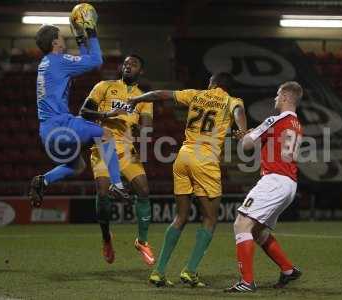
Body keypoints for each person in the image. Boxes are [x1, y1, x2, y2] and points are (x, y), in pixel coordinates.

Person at [127, 72, 247, 287]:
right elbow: (238, 111)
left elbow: (161, 94)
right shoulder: (231, 100)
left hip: (183, 156)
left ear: (212, 83)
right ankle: (190, 271)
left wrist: (137, 98)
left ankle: (159, 271)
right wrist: (242, 129)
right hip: (205, 159)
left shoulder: (195, 94)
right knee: (210, 219)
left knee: (180, 217)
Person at [29, 21, 129, 207]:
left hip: (47, 133)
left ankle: (43, 181)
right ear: (54, 43)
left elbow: (84, 62)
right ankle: (117, 184)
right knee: (106, 135)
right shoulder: (59, 61)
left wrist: (81, 40)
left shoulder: (46, 63)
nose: (63, 38)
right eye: (60, 36)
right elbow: (96, 61)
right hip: (61, 126)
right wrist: (91, 32)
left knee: (78, 166)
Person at [225, 81, 303, 293]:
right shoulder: (297, 124)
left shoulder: (274, 119)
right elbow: (273, 147)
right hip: (289, 183)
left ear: (286, 97)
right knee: (258, 232)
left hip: (274, 181)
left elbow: (246, 145)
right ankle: (288, 270)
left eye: (278, 95)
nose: (275, 98)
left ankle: (247, 282)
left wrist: (246, 135)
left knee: (241, 225)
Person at [79, 54, 155, 265]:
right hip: (103, 146)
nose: (129, 65)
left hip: (127, 151)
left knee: (144, 190)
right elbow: (83, 111)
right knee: (103, 193)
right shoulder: (105, 86)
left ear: (141, 71)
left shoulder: (143, 98)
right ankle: (106, 237)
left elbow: (148, 127)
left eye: (134, 64)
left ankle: (142, 241)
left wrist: (143, 128)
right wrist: (107, 115)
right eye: (127, 63)